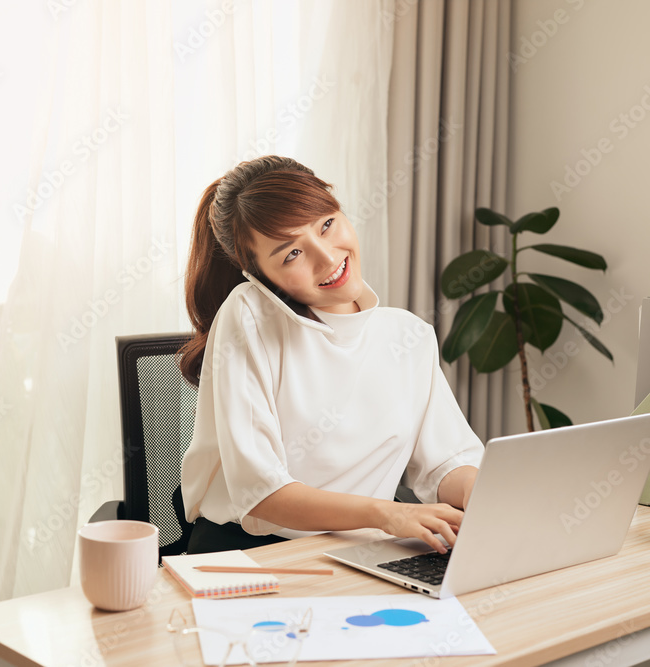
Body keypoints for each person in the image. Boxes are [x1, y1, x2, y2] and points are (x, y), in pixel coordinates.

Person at [178, 155, 483, 555]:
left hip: (356, 549)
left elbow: (444, 464)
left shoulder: (408, 335)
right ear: (255, 274)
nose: (326, 256)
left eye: (326, 225)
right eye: (291, 254)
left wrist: (484, 490)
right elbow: (261, 493)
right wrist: (387, 515)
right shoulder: (249, 314)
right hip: (249, 554)